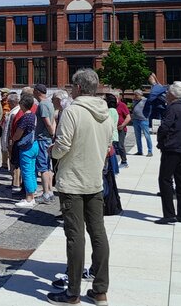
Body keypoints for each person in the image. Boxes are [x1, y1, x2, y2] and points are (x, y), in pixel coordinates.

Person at [48, 69, 112, 306]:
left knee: (75, 236)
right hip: (94, 179)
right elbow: (108, 144)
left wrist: (52, 151)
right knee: (98, 233)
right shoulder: (105, 112)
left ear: (77, 87)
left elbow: (62, 145)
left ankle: (72, 292)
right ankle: (100, 290)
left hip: (73, 180)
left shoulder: (73, 111)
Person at [156, 81, 181, 224]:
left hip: (171, 148)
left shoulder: (172, 109)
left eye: (167, 92)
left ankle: (169, 214)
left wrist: (160, 140)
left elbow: (164, 127)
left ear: (171, 94)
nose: (166, 95)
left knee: (165, 179)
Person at [11, 92, 40, 208]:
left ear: (23, 104)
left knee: (26, 172)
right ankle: (33, 194)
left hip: (26, 147)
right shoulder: (33, 115)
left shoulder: (25, 117)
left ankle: (29, 198)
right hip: (34, 144)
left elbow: (18, 134)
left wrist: (13, 139)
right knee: (32, 171)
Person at [33, 84, 56, 204]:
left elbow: (47, 121)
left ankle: (46, 193)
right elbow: (53, 120)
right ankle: (50, 192)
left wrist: (51, 132)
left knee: (43, 168)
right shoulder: (49, 103)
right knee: (47, 166)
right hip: (47, 138)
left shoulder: (42, 104)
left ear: (37, 92)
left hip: (43, 138)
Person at [0, 92, 20, 172]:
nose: (8, 104)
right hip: (11, 140)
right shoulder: (13, 111)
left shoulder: (14, 113)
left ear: (13, 102)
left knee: (13, 162)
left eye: (9, 102)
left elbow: (11, 129)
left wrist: (10, 141)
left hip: (12, 140)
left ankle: (15, 178)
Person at [131, 89, 153, 156]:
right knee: (137, 137)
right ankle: (139, 151)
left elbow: (150, 109)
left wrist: (147, 116)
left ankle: (150, 151)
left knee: (147, 136)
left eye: (136, 95)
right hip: (135, 120)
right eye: (134, 95)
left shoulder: (145, 100)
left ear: (140, 95)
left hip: (143, 120)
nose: (135, 96)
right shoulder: (134, 100)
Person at [104, 94, 121, 175]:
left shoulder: (110, 111)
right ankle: (115, 170)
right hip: (114, 134)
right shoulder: (114, 110)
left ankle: (113, 170)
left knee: (110, 155)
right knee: (112, 154)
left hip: (111, 135)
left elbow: (108, 124)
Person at [115, 96, 131, 168]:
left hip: (121, 129)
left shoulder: (122, 105)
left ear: (118, 98)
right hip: (113, 129)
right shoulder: (111, 106)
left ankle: (124, 161)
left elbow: (128, 117)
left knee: (120, 145)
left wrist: (122, 125)